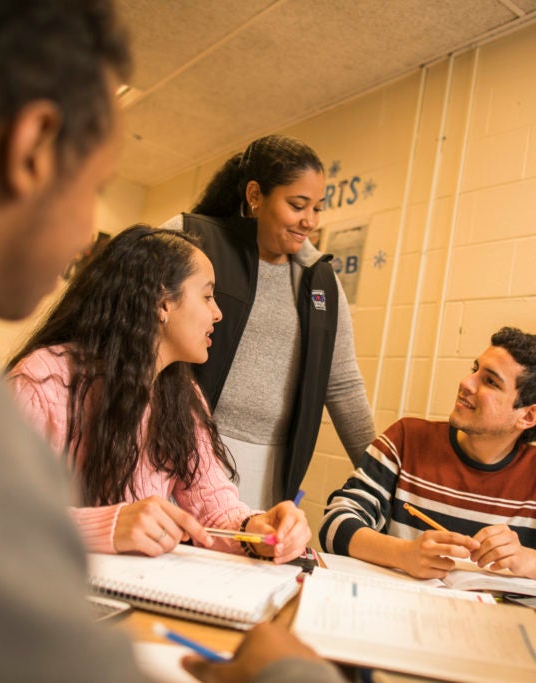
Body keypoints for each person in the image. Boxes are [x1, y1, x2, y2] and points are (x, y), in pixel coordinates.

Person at [0, 1, 342, 681]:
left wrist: (254, 527)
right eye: (95, 186)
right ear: (32, 148)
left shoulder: (179, 396)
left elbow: (212, 500)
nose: (88, 233)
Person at [5, 226, 310, 564]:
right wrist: (108, 526)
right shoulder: (43, 380)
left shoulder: (181, 396)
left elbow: (214, 512)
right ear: (163, 303)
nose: (218, 313)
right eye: (207, 296)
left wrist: (258, 531)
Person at [160, 135, 375, 508]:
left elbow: (343, 385)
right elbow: (128, 330)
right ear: (255, 195)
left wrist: (381, 478)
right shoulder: (191, 238)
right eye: (297, 205)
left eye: (317, 208)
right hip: (177, 447)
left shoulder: (320, 280)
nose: (310, 221)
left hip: (270, 469)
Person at [320, 327, 536, 582]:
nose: (466, 383)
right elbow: (335, 524)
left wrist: (527, 559)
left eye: (490, 381)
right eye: (475, 370)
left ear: (528, 416)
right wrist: (402, 554)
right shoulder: (406, 439)